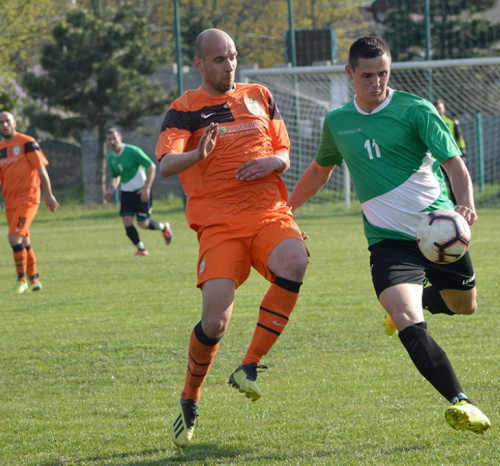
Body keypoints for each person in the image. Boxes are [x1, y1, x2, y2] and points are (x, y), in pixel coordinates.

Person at [287, 37, 491, 434]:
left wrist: (464, 204)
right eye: (367, 75)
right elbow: (319, 170)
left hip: (437, 233)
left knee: (464, 306)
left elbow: (454, 163)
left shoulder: (416, 110)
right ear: (350, 73)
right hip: (387, 242)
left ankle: (423, 300)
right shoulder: (337, 122)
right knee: (405, 316)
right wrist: (287, 209)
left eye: (383, 74)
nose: (376, 82)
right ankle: (461, 402)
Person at [155, 28, 308, 447]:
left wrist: (272, 164)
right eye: (220, 59)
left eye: (233, 57)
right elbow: (167, 165)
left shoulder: (259, 95)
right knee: (215, 320)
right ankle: (190, 397)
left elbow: (285, 151)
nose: (229, 66)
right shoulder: (184, 109)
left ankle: (249, 366)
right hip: (218, 225)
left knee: (295, 261)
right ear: (199, 64)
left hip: (267, 213)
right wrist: (196, 156)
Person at [0, 112, 59, 293]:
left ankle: (21, 279)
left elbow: (41, 171)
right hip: (10, 202)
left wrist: (49, 195)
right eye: (1, 122)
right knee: (24, 240)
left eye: (7, 121)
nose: (5, 125)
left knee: (13, 237)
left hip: (29, 200)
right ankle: (35, 279)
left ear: (14, 123)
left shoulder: (27, 142)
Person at [104, 128, 172, 257]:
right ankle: (141, 249)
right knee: (127, 221)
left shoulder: (132, 151)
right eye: (109, 140)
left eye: (114, 138)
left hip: (140, 190)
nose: (112, 142)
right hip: (126, 192)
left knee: (143, 223)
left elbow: (151, 166)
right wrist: (110, 190)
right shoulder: (111, 157)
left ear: (120, 138)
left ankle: (164, 228)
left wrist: (146, 188)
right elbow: (115, 176)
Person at [435, 99, 466, 204]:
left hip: (449, 155)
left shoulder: (451, 122)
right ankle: (439, 203)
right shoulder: (431, 122)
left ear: (444, 109)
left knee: (452, 180)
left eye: (440, 107)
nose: (438, 110)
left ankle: (455, 203)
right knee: (436, 180)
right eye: (436, 108)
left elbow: (458, 137)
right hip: (435, 156)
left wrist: (462, 151)